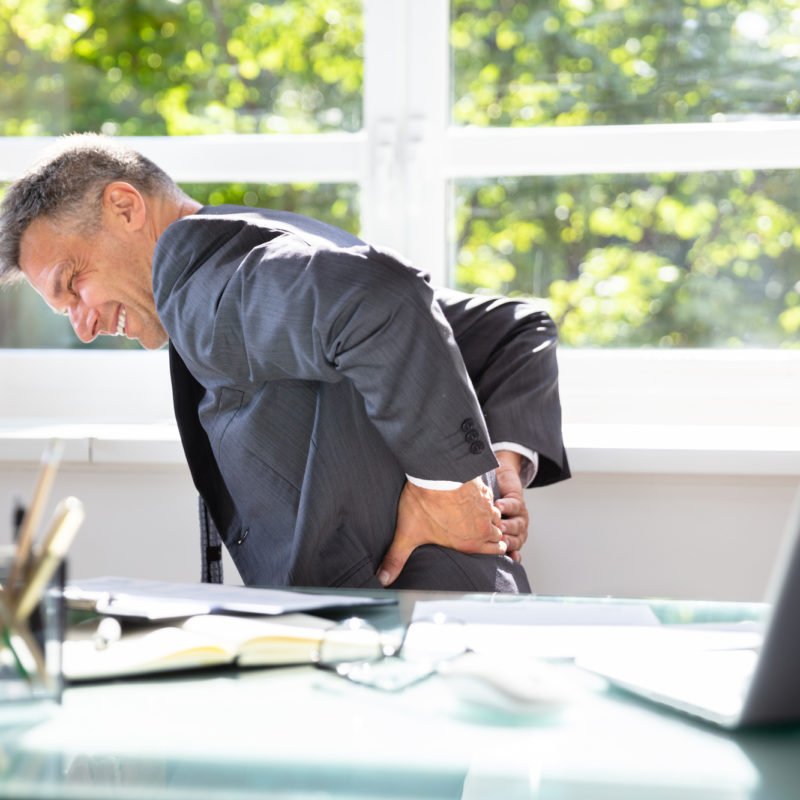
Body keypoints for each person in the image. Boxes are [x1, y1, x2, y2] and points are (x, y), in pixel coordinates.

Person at [0, 134, 570, 592]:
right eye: (64, 311)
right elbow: (512, 329)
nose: (84, 326)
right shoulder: (265, 248)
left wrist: (450, 489)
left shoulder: (206, 284)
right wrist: (501, 471)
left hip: (413, 627)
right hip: (444, 618)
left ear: (125, 207)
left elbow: (387, 300)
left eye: (73, 284)